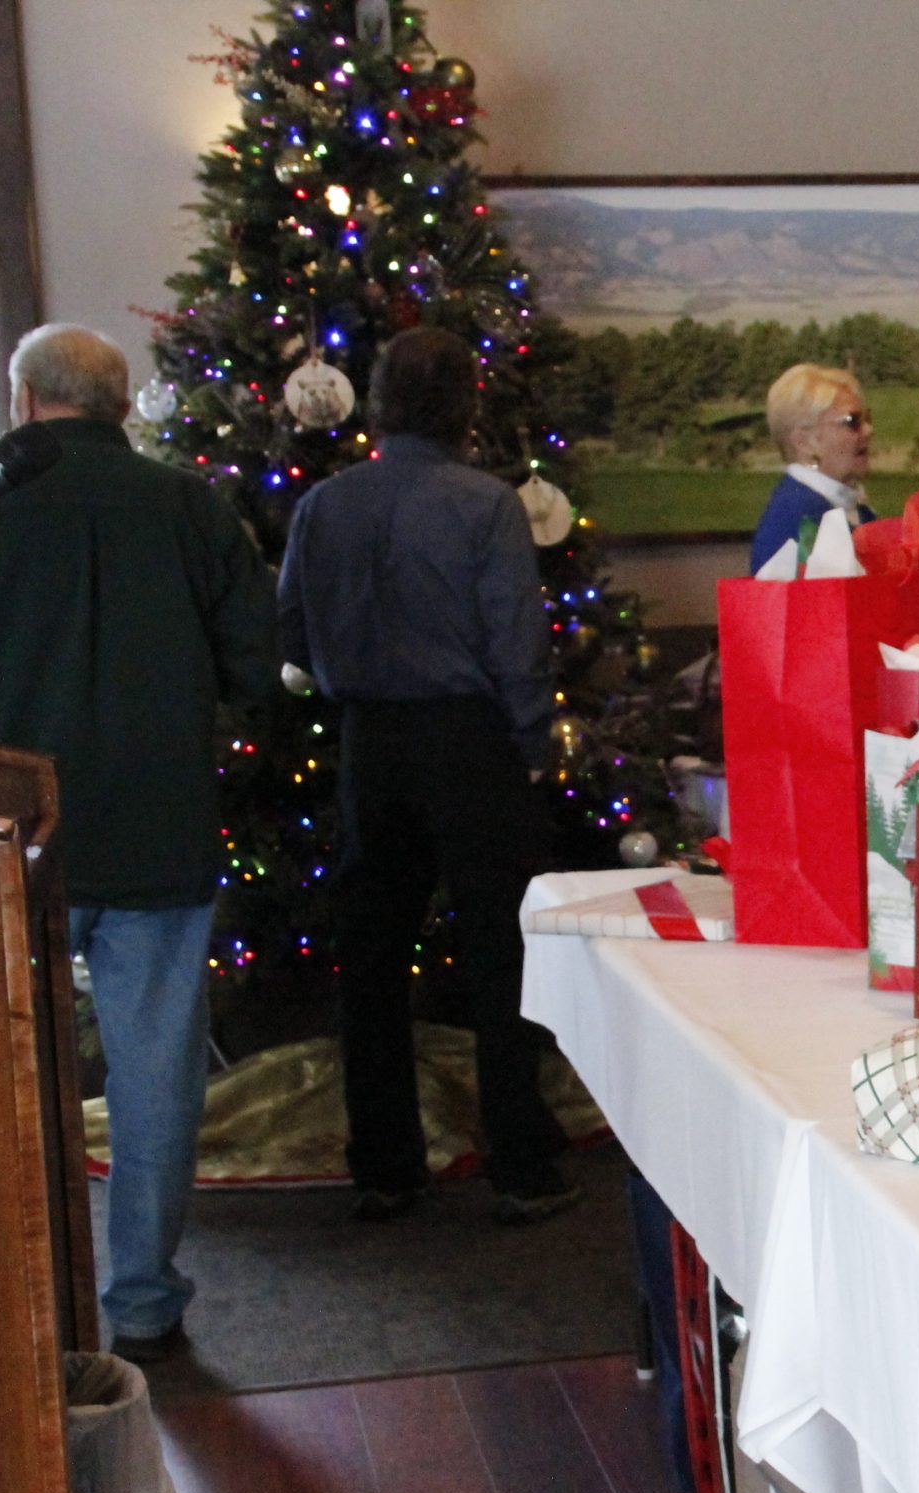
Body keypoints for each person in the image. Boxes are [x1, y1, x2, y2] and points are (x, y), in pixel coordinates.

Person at [0, 324, 277, 1360]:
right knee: (157, 1074)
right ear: (122, 406)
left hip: (13, 834)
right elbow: (256, 670)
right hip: (162, 825)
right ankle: (141, 1301)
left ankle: (31, 1303)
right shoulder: (191, 507)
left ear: (24, 398)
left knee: (11, 1072)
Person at [277, 327, 579, 1226]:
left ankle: (385, 1165)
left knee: (371, 956)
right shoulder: (485, 505)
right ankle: (520, 1163)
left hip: (370, 741)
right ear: (464, 405)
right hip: (470, 741)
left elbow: (292, 629)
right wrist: (532, 742)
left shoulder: (323, 505)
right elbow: (516, 642)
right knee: (501, 953)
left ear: (376, 403)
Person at [749, 363, 874, 574]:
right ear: (805, 443)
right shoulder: (801, 518)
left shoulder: (849, 507)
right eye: (852, 421)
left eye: (866, 419)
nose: (869, 430)